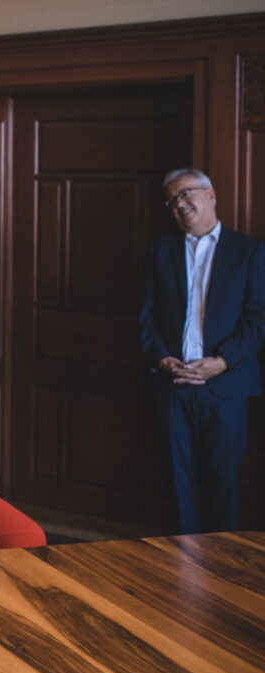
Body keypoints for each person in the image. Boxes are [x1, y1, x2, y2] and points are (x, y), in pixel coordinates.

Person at [139, 168, 265, 534]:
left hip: (226, 388)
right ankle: (183, 560)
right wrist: (161, 357)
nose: (179, 204)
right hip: (173, 386)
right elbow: (145, 317)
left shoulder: (249, 251)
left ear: (211, 195)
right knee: (177, 484)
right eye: (171, 200)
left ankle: (221, 560)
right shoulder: (160, 251)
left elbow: (258, 318)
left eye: (185, 194)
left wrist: (222, 361)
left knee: (223, 483)